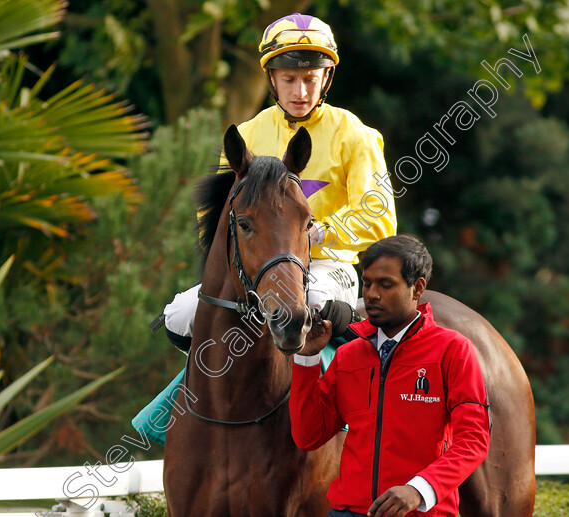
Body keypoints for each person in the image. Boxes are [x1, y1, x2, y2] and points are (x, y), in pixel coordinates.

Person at [158, 12, 397, 351]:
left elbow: (381, 218)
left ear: (326, 77)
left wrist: (322, 231)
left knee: (308, 304)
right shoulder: (246, 135)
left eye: (311, 79)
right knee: (179, 316)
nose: (300, 92)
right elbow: (212, 221)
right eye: (289, 79)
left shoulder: (357, 136)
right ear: (271, 78)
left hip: (328, 265)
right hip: (254, 269)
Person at [289, 235, 490, 517]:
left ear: (417, 288)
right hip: (346, 511)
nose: (371, 294)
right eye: (367, 283)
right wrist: (307, 359)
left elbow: (474, 440)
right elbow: (307, 437)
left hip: (419, 512)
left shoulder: (453, 350)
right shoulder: (348, 355)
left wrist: (419, 489)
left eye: (386, 284)